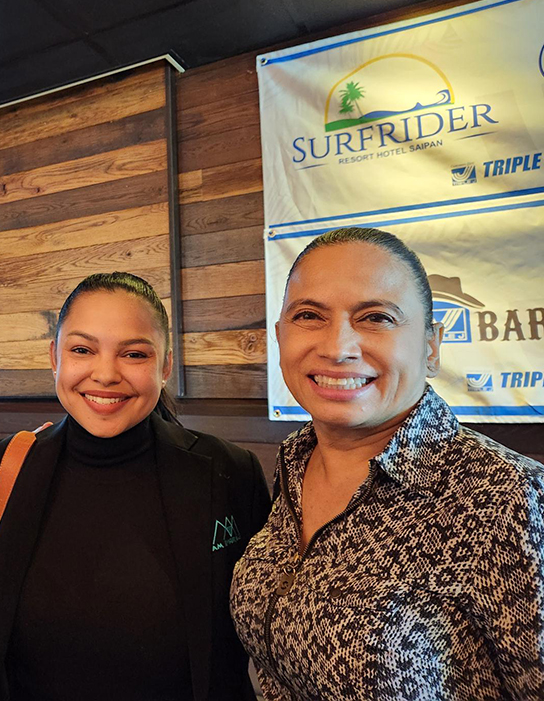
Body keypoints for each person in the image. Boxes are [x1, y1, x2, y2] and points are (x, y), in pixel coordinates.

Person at [0, 272, 271, 700]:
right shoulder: (15, 462)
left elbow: (267, 625)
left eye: (133, 354)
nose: (106, 374)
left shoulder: (227, 473)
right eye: (82, 349)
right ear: (55, 356)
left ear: (165, 365)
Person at [230, 227, 544, 700]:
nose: (337, 347)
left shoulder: (508, 497)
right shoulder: (293, 463)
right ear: (280, 337)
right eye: (309, 315)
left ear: (431, 346)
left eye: (376, 317)